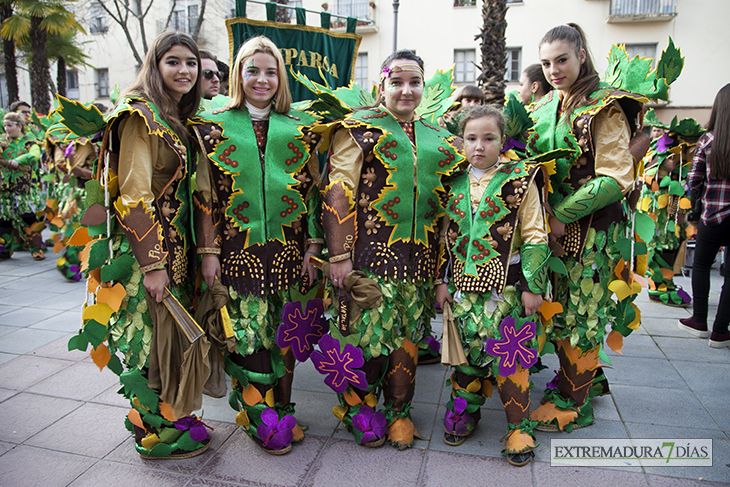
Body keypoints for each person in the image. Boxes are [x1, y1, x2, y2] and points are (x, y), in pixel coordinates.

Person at [68, 32, 210, 459]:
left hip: (174, 250)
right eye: (173, 62)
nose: (184, 70)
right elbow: (132, 196)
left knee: (168, 339)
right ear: (155, 65)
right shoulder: (138, 116)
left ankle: (170, 419)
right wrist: (152, 265)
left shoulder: (174, 117)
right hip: (145, 253)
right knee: (150, 339)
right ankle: (153, 433)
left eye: (191, 63)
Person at [323, 49, 464, 450]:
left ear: (424, 86)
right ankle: (360, 410)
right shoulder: (357, 129)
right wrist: (339, 255)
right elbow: (338, 191)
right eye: (397, 82)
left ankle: (399, 413)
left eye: (415, 82)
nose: (406, 90)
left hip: (419, 263)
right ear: (381, 84)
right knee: (365, 339)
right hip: (368, 259)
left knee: (407, 339)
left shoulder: (441, 139)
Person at [194, 35, 322, 455]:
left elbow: (313, 194)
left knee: (282, 333)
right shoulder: (213, 127)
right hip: (237, 254)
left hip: (287, 254)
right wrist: (209, 252)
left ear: (280, 77)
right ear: (238, 75)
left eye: (270, 72)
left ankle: (280, 409)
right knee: (248, 335)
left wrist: (312, 246)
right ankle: (259, 416)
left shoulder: (300, 128)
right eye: (253, 71)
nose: (261, 80)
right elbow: (206, 195)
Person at [527, 23, 647, 432]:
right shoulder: (544, 107)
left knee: (584, 311)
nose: (553, 70)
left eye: (562, 59)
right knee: (563, 307)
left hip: (594, 233)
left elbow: (616, 176)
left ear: (581, 55)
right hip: (552, 234)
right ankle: (581, 381)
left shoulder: (604, 106)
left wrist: (562, 214)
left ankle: (575, 404)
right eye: (546, 63)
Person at [437, 105, 549, 466]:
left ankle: (518, 425)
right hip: (462, 288)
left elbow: (535, 234)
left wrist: (533, 285)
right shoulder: (451, 180)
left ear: (503, 141)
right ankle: (465, 410)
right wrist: (442, 281)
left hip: (508, 288)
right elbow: (443, 237)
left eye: (489, 138)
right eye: (471, 138)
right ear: (461, 141)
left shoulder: (522, 178)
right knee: (466, 352)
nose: (479, 146)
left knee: (510, 355)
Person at [680, 83, 730, 348]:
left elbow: (694, 179)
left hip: (713, 215)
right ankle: (721, 332)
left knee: (701, 265)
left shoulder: (708, 140)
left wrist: (695, 203)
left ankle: (699, 320)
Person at [0, 112, 44, 260]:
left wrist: (19, 160)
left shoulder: (29, 142)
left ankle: (36, 249)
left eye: (9, 125)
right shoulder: (2, 141)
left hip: (24, 186)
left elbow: (35, 155)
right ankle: (4, 251)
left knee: (29, 217)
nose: (6, 129)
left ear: (19, 126)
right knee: (3, 219)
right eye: (5, 125)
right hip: (4, 186)